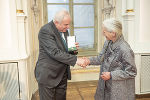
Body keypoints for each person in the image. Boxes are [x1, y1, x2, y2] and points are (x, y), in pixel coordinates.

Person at [77, 18, 137, 100]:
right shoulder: (108, 42)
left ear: (113, 33)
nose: (102, 33)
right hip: (105, 85)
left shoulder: (125, 49)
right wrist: (88, 60)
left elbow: (131, 72)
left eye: (104, 31)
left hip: (118, 89)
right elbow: (100, 58)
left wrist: (111, 75)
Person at [34, 9, 82, 100]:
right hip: (48, 75)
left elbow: (66, 51)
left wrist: (73, 49)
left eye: (69, 24)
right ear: (56, 22)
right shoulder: (45, 30)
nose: (68, 27)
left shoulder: (65, 30)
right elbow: (54, 52)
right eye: (66, 24)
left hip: (62, 74)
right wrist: (77, 60)